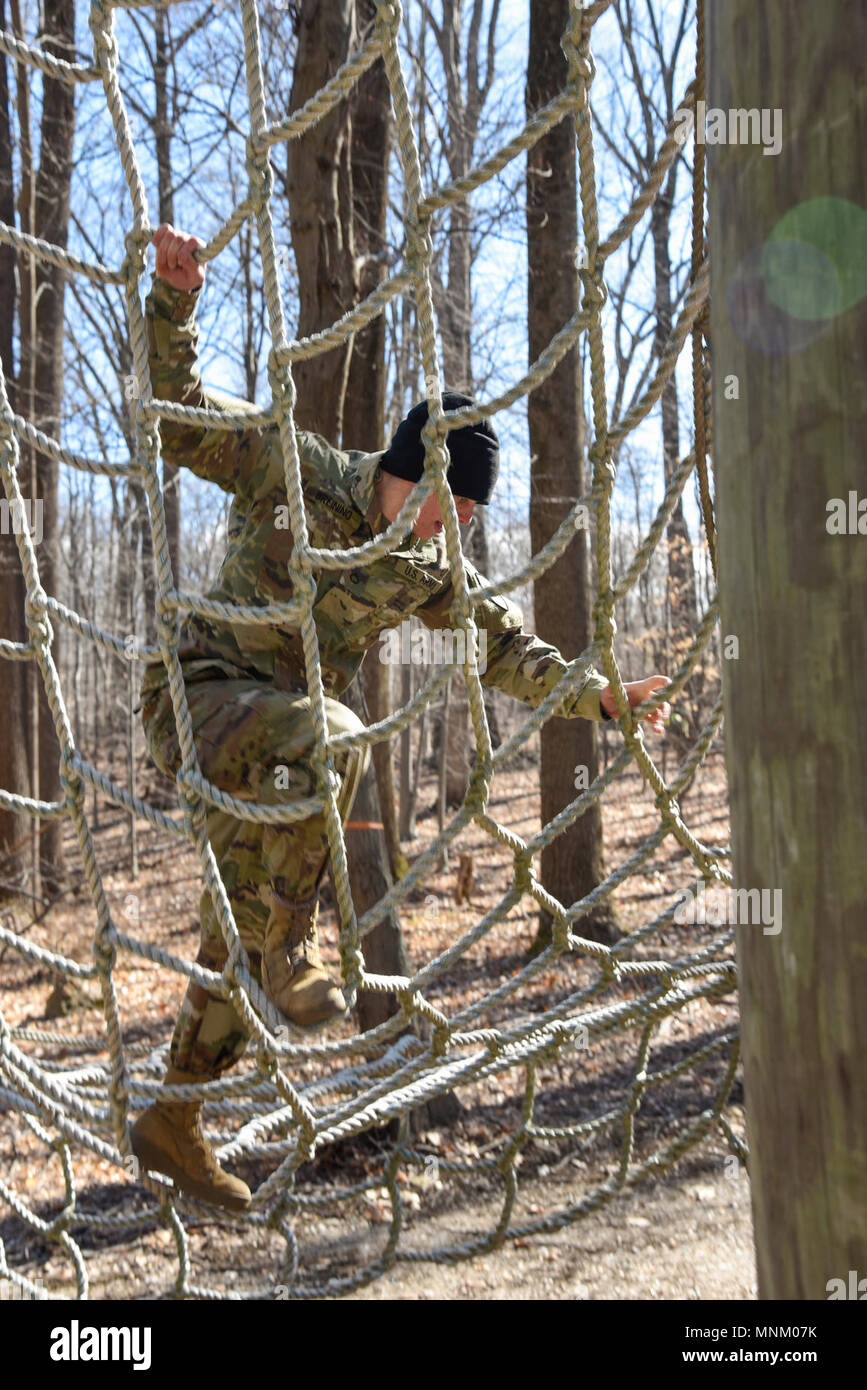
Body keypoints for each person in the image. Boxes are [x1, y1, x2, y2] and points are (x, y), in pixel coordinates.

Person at [130, 223, 671, 1210]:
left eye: (463, 523)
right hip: (197, 697)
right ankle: (293, 943)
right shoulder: (286, 464)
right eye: (449, 508)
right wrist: (174, 306)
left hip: (280, 751)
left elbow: (501, 641)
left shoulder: (420, 566)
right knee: (335, 736)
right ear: (413, 469)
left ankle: (175, 1114)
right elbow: (176, 417)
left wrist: (594, 696)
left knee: (239, 924)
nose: (452, 531)